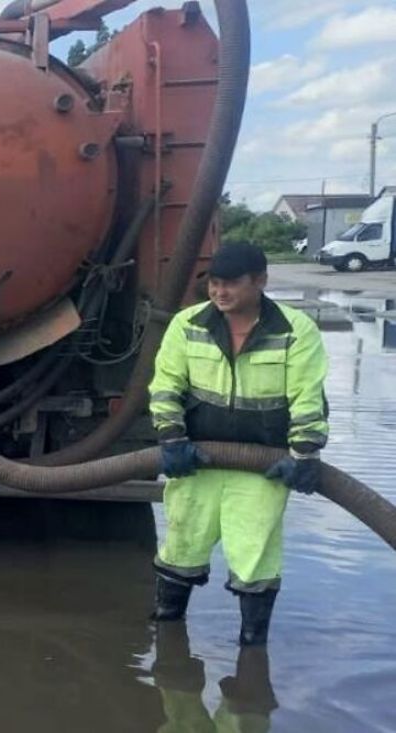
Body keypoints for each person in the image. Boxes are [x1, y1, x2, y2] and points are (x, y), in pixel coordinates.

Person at [147, 242, 329, 645]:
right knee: (181, 544)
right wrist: (172, 439)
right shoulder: (188, 324)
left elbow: (307, 397)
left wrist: (304, 453)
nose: (220, 293)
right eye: (214, 284)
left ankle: (252, 645)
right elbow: (166, 386)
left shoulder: (295, 330)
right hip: (196, 460)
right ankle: (167, 631)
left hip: (263, 468)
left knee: (256, 555)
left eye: (231, 284)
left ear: (260, 281)